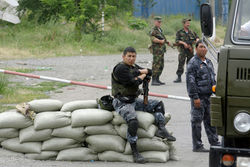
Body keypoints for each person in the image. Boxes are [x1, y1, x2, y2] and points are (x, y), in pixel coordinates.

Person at [112, 47, 176, 163]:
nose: (131, 59)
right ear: (123, 56)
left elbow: (150, 72)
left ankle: (161, 128)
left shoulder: (133, 67)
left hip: (134, 100)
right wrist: (142, 75)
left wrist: (141, 73)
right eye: (129, 56)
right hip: (122, 102)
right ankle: (135, 151)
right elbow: (133, 81)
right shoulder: (120, 68)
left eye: (133, 56)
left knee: (158, 104)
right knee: (133, 121)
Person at [186, 40, 220, 152]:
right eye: (201, 47)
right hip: (199, 97)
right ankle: (197, 145)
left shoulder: (209, 62)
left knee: (210, 121)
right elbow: (191, 82)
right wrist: (195, 97)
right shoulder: (193, 63)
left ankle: (214, 142)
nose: (203, 49)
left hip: (209, 96)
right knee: (196, 122)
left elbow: (213, 79)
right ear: (196, 48)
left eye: (205, 47)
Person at [174, 18, 199, 83]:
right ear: (183, 24)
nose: (188, 24)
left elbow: (197, 38)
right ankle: (179, 77)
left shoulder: (192, 32)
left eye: (189, 23)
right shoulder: (179, 32)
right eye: (187, 23)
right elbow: (177, 41)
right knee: (181, 63)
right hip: (182, 50)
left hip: (190, 50)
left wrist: (197, 41)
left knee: (190, 64)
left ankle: (190, 77)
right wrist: (183, 43)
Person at [149, 16, 171, 86]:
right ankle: (154, 80)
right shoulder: (153, 30)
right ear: (155, 22)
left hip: (161, 50)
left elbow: (163, 38)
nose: (159, 23)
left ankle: (157, 79)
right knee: (156, 64)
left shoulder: (160, 30)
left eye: (160, 22)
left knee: (161, 64)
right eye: (158, 22)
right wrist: (160, 41)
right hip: (157, 50)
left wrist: (167, 42)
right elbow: (152, 38)